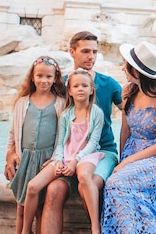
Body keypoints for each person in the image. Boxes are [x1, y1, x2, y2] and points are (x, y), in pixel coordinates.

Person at [40, 31, 123, 234]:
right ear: (72, 52)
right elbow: (39, 113)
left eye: (94, 52)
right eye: (85, 51)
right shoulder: (62, 84)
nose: (91, 57)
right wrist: (13, 149)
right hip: (69, 156)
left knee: (91, 184)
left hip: (103, 152)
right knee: (53, 191)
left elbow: (135, 113)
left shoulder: (109, 83)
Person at [101, 41, 156, 233]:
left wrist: (126, 164)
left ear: (137, 71)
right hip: (132, 150)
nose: (123, 68)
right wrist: (122, 159)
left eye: (126, 65)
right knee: (116, 185)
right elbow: (125, 131)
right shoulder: (127, 91)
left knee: (116, 184)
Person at [21, 68, 105, 234]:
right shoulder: (66, 114)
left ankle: (95, 227)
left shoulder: (97, 113)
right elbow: (60, 142)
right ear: (70, 91)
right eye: (76, 86)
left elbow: (93, 142)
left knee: (84, 176)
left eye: (84, 86)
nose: (80, 89)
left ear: (91, 89)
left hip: (86, 156)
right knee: (32, 186)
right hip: (65, 155)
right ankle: (25, 230)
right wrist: (58, 160)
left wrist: (75, 161)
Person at [4, 56, 66, 234]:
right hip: (25, 160)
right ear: (32, 77)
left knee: (40, 209)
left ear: (55, 78)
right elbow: (12, 134)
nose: (44, 80)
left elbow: (62, 136)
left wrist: (55, 159)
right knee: (21, 209)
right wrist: (9, 159)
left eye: (48, 77)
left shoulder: (60, 103)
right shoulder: (23, 103)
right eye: (39, 76)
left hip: (45, 161)